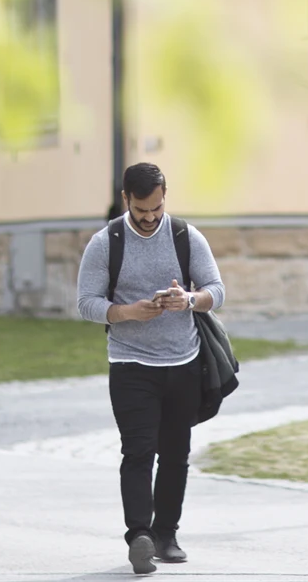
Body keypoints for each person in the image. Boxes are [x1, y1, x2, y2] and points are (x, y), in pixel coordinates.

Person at [75, 163, 227, 574]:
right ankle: (139, 536)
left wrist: (189, 300)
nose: (150, 218)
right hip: (130, 364)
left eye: (156, 209)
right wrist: (126, 312)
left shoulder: (184, 236)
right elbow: (86, 302)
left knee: (176, 454)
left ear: (165, 198)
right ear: (126, 199)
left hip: (183, 363)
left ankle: (167, 535)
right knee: (138, 451)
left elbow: (217, 290)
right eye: (142, 210)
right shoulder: (107, 242)